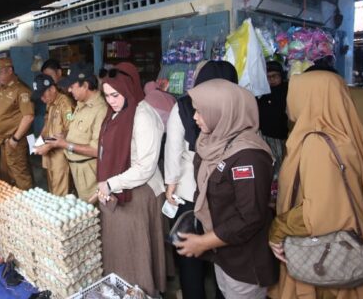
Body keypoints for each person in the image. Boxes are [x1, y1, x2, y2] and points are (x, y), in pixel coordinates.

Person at [268, 71, 363, 299]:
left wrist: (277, 229)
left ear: (310, 97)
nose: (289, 101)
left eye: (294, 93)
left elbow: (317, 213)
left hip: (324, 263)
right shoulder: (343, 135)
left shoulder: (317, 143)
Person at [175, 79, 278, 299]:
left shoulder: (248, 156)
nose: (195, 118)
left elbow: (249, 218)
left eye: (201, 112)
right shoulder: (214, 142)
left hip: (244, 261)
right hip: (222, 252)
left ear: (223, 112)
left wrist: (203, 242)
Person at [164, 60, 237, 299]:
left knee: (190, 256)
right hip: (226, 194)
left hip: (190, 192)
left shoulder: (183, 106)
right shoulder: (238, 107)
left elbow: (173, 150)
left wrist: (171, 185)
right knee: (223, 254)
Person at [95, 62, 167, 297]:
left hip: (139, 193)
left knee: (136, 252)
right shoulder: (117, 112)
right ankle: (120, 289)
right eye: (107, 95)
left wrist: (110, 184)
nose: (111, 101)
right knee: (119, 248)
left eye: (115, 95)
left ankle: (141, 293)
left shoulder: (143, 115)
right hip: (117, 190)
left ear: (128, 88)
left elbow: (145, 167)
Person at [50, 63, 107, 202]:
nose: (69, 90)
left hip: (90, 174)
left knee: (93, 209)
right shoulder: (81, 104)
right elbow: (77, 130)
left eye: (72, 86)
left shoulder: (100, 110)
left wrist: (65, 144)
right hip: (76, 169)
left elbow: (97, 150)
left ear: (85, 86)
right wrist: (65, 135)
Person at [0, 58, 35, 190]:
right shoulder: (2, 87)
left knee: (19, 174)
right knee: (6, 173)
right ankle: (10, 199)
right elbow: (1, 108)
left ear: (10, 70)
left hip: (15, 140)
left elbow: (29, 116)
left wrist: (15, 139)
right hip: (4, 139)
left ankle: (26, 200)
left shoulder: (21, 90)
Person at [32, 74, 75, 196]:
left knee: (61, 194)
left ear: (52, 89)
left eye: (43, 95)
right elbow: (47, 125)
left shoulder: (65, 103)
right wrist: (39, 141)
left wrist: (49, 145)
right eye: (40, 96)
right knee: (52, 189)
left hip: (61, 156)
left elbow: (70, 130)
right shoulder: (50, 103)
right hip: (50, 155)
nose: (42, 99)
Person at [256, 61, 288, 175]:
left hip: (282, 135)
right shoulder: (261, 92)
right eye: (268, 77)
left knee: (282, 164)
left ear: (281, 76)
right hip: (265, 135)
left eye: (275, 76)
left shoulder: (287, 91)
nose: (272, 79)